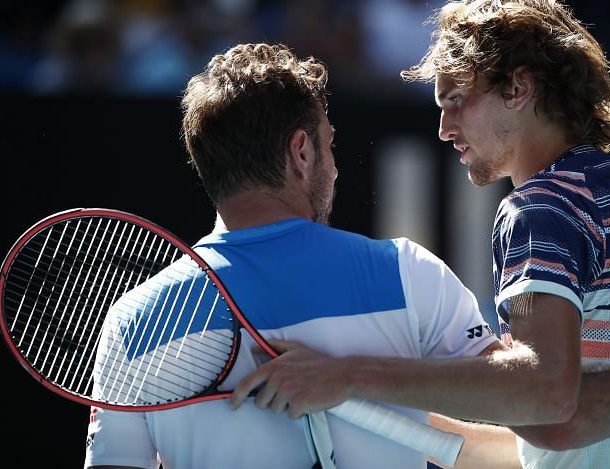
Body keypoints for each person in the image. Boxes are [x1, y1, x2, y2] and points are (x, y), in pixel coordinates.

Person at [232, 0, 610, 468]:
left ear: (518, 88)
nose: (444, 128)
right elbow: (542, 448)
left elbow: (547, 406)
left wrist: (345, 374)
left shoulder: (542, 210)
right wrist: (348, 396)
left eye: (454, 100)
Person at [84, 42, 506, 469]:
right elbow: (530, 400)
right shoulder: (406, 271)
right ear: (301, 152)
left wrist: (385, 408)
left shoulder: (131, 322)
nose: (336, 168)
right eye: (330, 144)